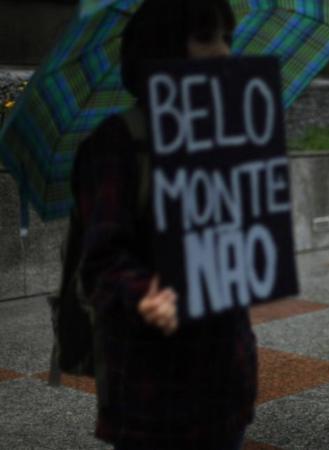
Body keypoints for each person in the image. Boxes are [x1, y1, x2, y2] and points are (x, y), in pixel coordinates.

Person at [72, 1, 257, 448]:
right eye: (207, 37)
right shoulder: (118, 143)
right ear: (164, 46)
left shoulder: (219, 135)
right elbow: (99, 261)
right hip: (154, 391)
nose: (224, 52)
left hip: (225, 379)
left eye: (227, 39)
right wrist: (147, 295)